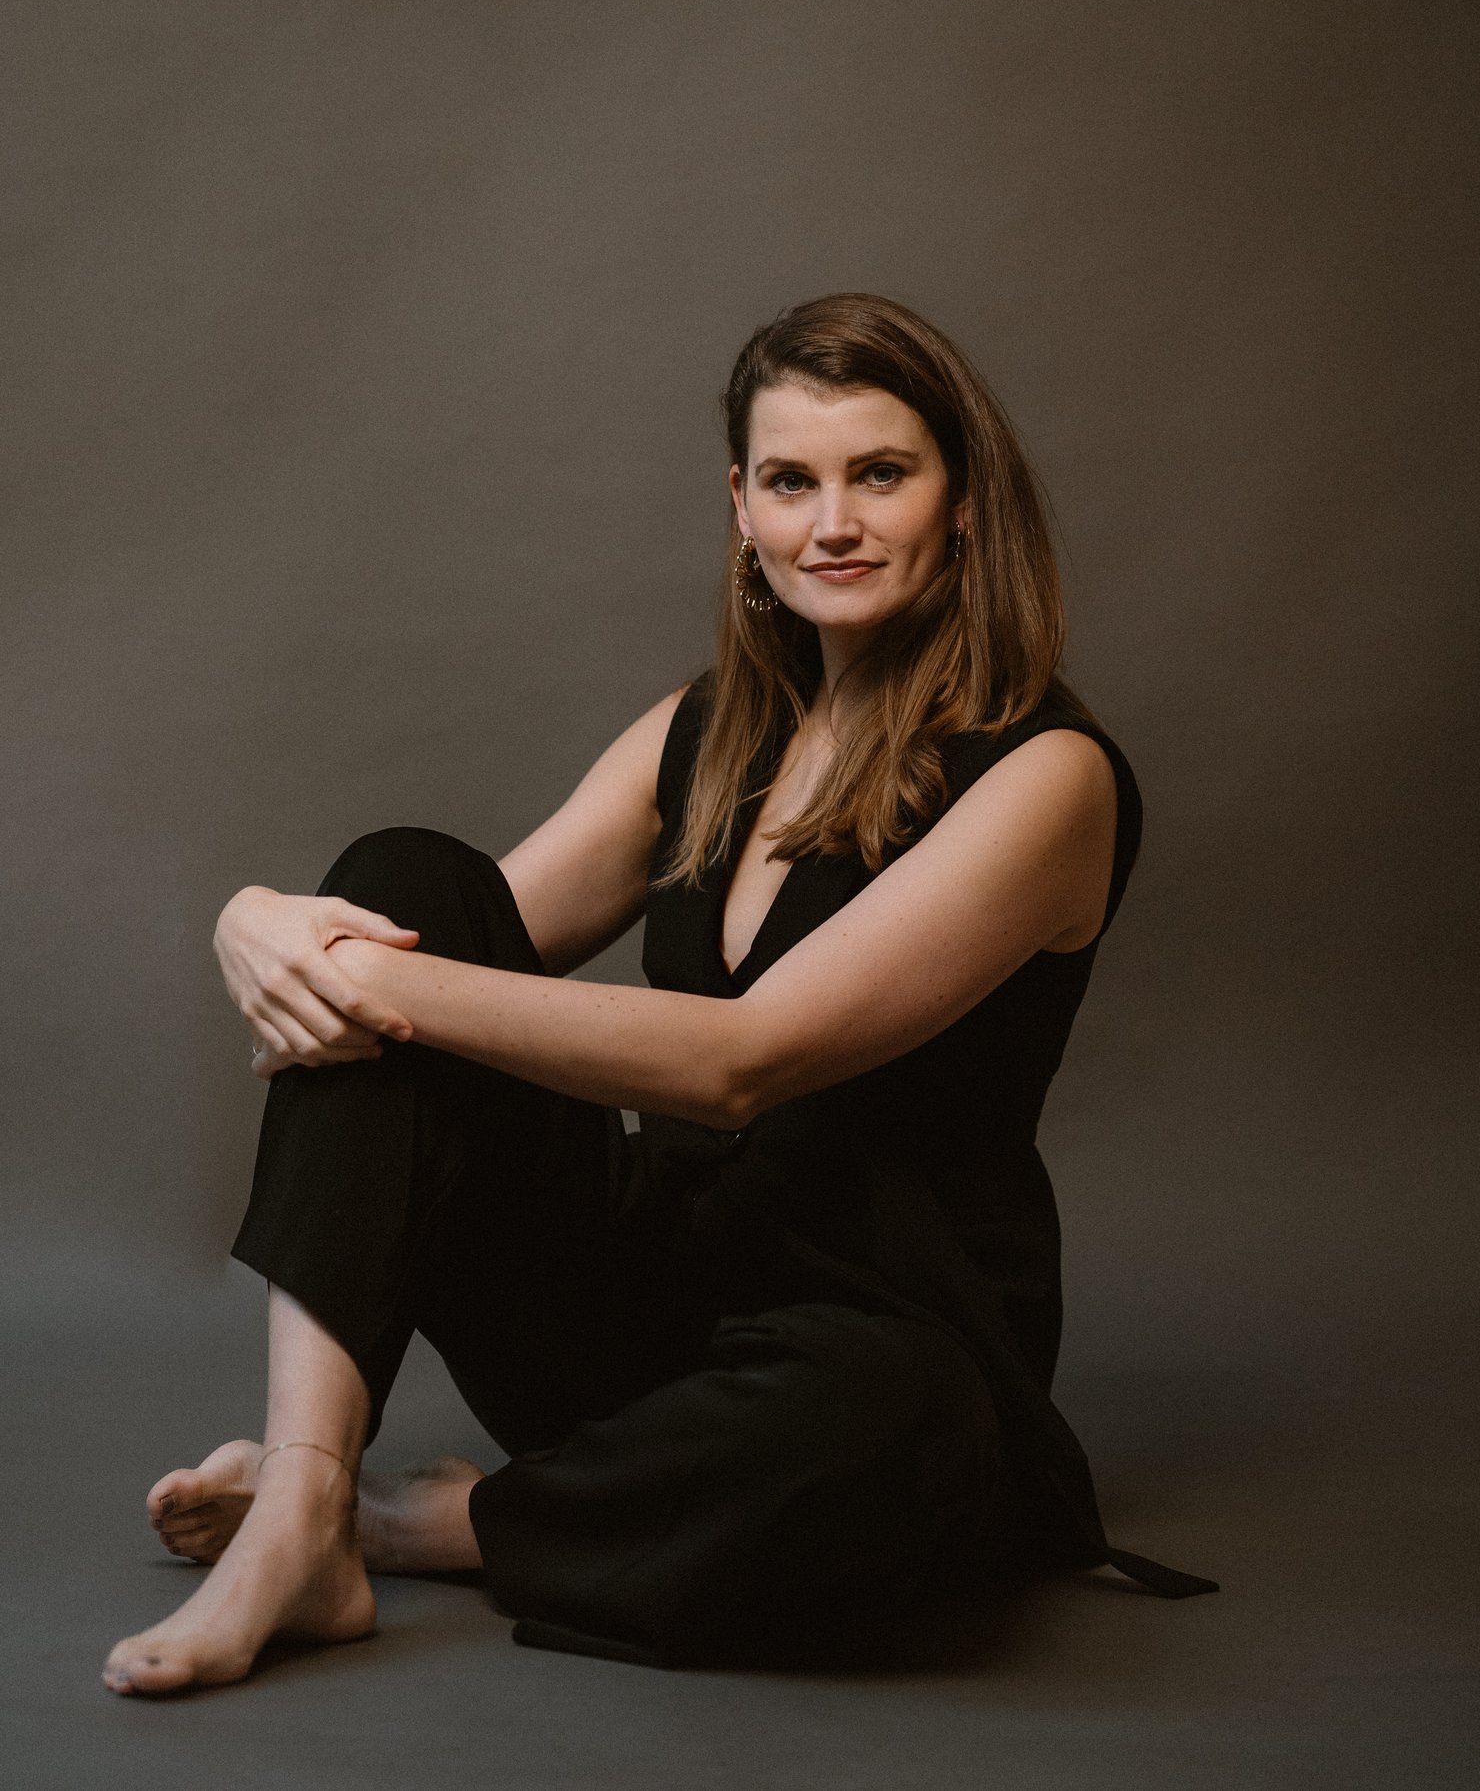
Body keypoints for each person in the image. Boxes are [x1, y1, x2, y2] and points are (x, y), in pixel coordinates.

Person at [103, 293, 1214, 1695]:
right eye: (792, 481)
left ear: (967, 499)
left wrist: (355, 975)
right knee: (405, 875)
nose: (835, 523)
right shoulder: (701, 730)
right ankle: (308, 1504)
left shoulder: (1044, 773)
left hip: (870, 1343)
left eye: (882, 472)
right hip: (640, 1300)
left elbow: (749, 1058)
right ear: (740, 507)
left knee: (889, 1424)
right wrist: (253, 919)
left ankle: (427, 1519)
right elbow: (434, 969)